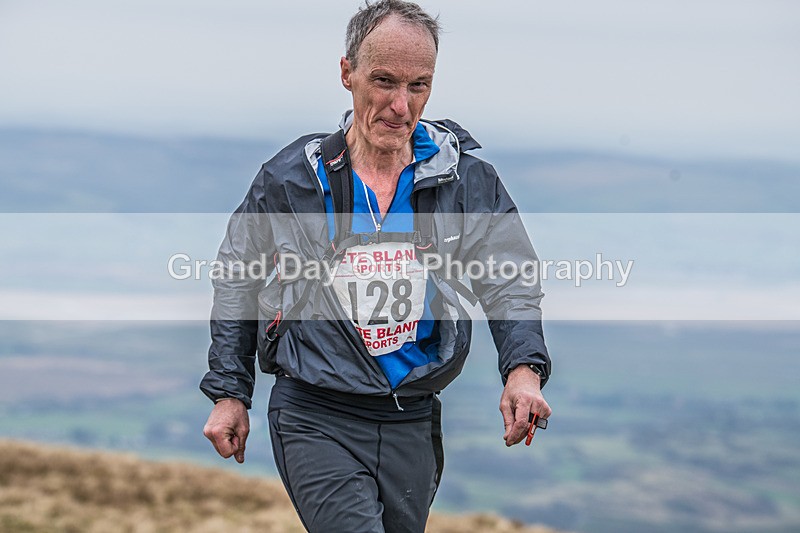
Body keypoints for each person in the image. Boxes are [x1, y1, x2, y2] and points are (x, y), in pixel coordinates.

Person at [200, 1, 551, 531]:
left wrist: (523, 369)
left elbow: (511, 281)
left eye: (418, 86)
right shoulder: (294, 177)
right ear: (348, 73)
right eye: (384, 81)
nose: (400, 105)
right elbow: (238, 280)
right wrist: (230, 392)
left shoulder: (467, 181)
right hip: (314, 411)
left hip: (412, 413)